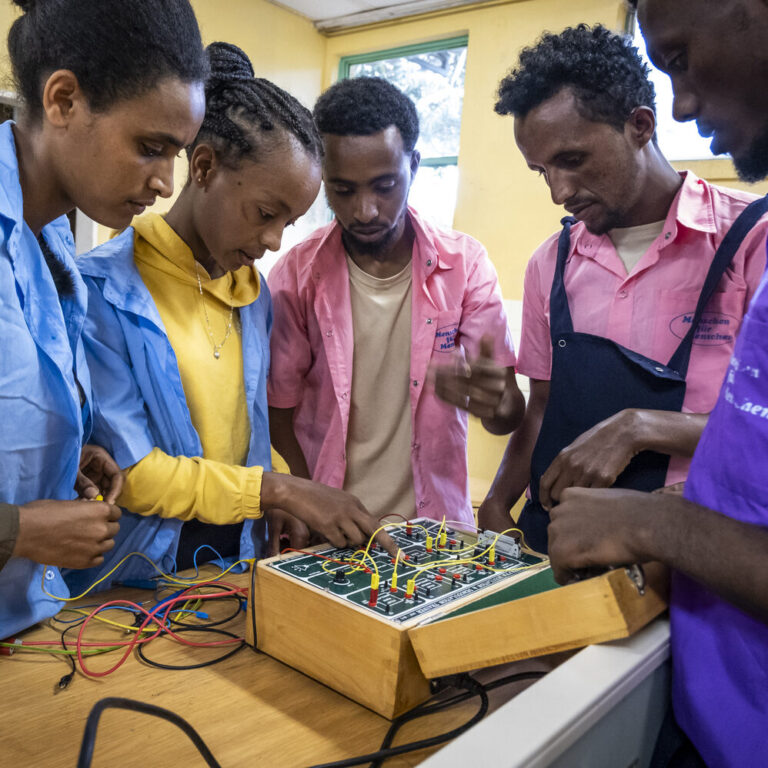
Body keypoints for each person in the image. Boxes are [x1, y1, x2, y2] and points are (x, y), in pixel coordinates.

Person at [71, 44, 394, 596]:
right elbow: (136, 474)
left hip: (230, 565)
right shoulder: (102, 289)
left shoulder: (253, 295)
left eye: (288, 224)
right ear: (203, 167)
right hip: (129, 580)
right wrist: (280, 491)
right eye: (266, 214)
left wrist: (279, 484)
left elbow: (244, 434)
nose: (272, 242)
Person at [547, 2, 768, 764]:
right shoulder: (554, 260)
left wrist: (655, 520)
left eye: (678, 55)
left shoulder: (750, 240)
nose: (682, 103)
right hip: (706, 692)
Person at [479, 24, 768, 553]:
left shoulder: (751, 241)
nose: (559, 192)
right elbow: (542, 404)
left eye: (573, 160)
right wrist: (499, 498)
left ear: (639, 126)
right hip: (562, 541)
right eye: (541, 171)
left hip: (698, 547)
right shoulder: (552, 261)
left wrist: (641, 426)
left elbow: (761, 424)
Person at [0, 0, 208, 638]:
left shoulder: (54, 239)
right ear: (63, 101)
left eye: (176, 153)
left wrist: (66, 455)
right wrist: (22, 530)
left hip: (29, 619)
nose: (165, 183)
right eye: (151, 148)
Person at [267, 76, 523, 529]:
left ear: (415, 166)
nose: (365, 210)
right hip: (335, 533)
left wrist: (494, 404)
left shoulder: (465, 265)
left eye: (384, 185)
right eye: (342, 190)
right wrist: (310, 500)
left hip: (438, 531)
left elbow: (507, 416)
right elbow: (279, 411)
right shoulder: (294, 278)